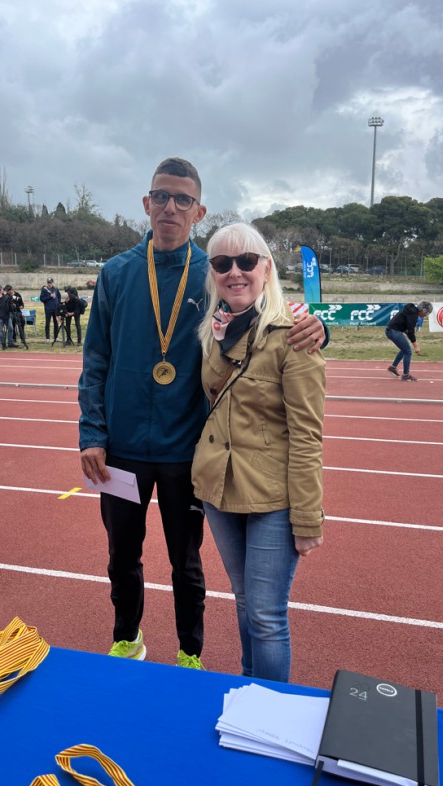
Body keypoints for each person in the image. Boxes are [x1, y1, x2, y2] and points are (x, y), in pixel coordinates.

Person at [78, 157, 328, 670]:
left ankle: (190, 651)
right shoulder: (117, 273)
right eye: (162, 197)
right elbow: (96, 359)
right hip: (120, 448)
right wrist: (92, 432)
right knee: (121, 557)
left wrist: (322, 328)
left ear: (199, 211)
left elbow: (267, 318)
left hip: (186, 452)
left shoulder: (213, 273)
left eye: (183, 200)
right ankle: (127, 637)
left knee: (186, 563)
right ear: (146, 205)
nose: (171, 207)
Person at [190, 222, 325, 683]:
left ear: (266, 268)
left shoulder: (295, 336)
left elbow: (307, 435)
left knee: (266, 616)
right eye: (222, 263)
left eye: (247, 261)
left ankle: (271, 710)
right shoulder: (212, 332)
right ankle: (250, 690)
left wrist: (307, 518)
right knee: (244, 600)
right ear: (212, 273)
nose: (235, 272)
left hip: (273, 496)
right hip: (219, 491)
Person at [385, 301, 433, 382]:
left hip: (392, 330)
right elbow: (410, 331)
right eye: (426, 313)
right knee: (408, 351)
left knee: (404, 349)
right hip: (393, 331)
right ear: (423, 310)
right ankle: (405, 375)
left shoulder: (412, 311)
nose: (425, 315)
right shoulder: (413, 314)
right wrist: (416, 346)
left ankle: (392, 368)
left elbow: (407, 330)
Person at [0, 285, 15, 350]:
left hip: (7, 316)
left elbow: (10, 304)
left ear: (2, 290)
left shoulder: (6, 296)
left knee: (10, 328)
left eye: (0, 290)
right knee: (0, 331)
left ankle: (10, 342)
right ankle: (3, 344)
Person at [4, 285, 29, 349]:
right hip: (10, 312)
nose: (7, 292)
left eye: (8, 290)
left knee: (21, 325)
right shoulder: (6, 296)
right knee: (12, 325)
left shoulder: (18, 295)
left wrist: (19, 307)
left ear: (11, 290)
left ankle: (22, 338)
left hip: (18, 312)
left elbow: (21, 304)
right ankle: (13, 339)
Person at [40, 277, 61, 342]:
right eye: (48, 282)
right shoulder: (44, 290)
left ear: (52, 282)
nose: (49, 284)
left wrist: (58, 304)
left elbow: (59, 296)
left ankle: (56, 337)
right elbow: (42, 299)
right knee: (47, 323)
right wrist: (50, 296)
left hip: (55, 309)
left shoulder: (55, 289)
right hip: (48, 309)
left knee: (56, 323)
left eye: (50, 282)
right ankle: (47, 338)